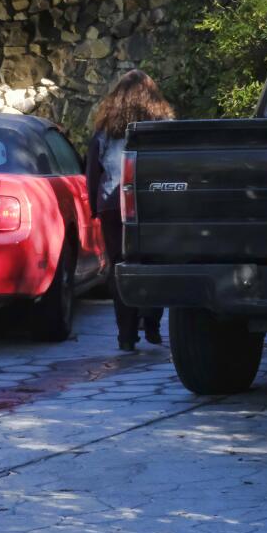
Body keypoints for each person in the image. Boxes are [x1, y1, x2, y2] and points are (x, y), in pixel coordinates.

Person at [85, 70, 176, 352]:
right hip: (153, 203)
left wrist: (93, 206)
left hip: (113, 206)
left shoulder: (105, 130)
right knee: (154, 262)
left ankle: (126, 334)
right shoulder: (165, 125)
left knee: (118, 267)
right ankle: (151, 324)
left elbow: (93, 172)